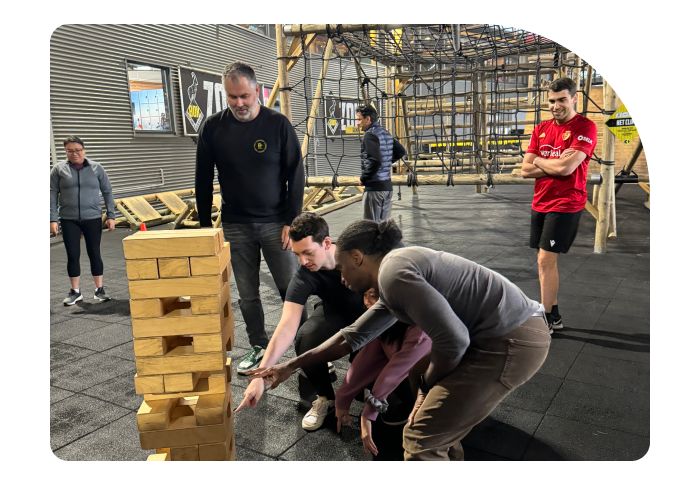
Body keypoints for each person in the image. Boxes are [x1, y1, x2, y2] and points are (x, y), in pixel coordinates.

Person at [249, 219, 550, 461]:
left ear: (358, 257)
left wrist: (425, 388)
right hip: (501, 335)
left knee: (420, 440)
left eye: (341, 268)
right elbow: (351, 337)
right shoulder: (393, 276)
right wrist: (292, 363)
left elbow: (453, 342)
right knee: (439, 428)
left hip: (511, 341)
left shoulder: (393, 273)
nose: (341, 278)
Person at [234, 212, 396, 431]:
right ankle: (325, 398)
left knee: (375, 376)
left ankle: (368, 384)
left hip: (369, 318)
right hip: (334, 314)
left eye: (308, 253)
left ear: (327, 243)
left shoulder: (356, 255)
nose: (303, 261)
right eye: (297, 254)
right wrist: (261, 375)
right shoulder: (304, 275)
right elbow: (287, 325)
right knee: (305, 338)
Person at [195, 61, 305, 375]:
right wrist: (205, 228)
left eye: (244, 95)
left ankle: (304, 347)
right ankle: (259, 346)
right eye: (232, 97)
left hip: (276, 224)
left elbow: (296, 175)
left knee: (292, 288)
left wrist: (291, 222)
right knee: (247, 294)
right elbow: (202, 178)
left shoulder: (278, 125)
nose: (239, 103)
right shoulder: (214, 128)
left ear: (256, 90)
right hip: (236, 224)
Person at [521, 77, 598, 332]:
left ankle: (544, 319)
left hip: (567, 203)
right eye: (552, 101)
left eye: (562, 100)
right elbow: (525, 170)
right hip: (540, 201)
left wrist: (540, 161)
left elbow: (567, 168)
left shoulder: (585, 127)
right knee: (543, 260)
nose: (556, 106)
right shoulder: (541, 128)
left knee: (545, 260)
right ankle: (554, 315)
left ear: (574, 98)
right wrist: (550, 164)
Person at [335, 287, 431, 458]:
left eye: (372, 297)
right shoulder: (386, 320)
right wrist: (342, 398)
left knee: (426, 443)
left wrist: (368, 414)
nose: (366, 303)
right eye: (363, 296)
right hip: (407, 373)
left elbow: (397, 369)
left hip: (434, 381)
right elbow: (366, 358)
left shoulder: (420, 328)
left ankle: (418, 407)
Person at [50, 135, 116, 306]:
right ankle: (75, 292)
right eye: (70, 151)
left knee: (94, 252)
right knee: (72, 255)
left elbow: (107, 191)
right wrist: (53, 219)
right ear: (66, 152)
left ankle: (99, 290)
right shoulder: (58, 170)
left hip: (92, 217)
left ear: (84, 150)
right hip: (68, 218)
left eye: (77, 150)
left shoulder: (96, 168)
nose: (74, 153)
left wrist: (111, 215)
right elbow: (51, 194)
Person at [356, 105, 406, 222]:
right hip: (387, 188)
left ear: (367, 119)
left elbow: (375, 160)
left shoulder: (370, 135)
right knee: (384, 227)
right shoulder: (384, 132)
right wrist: (386, 162)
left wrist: (364, 178)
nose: (358, 123)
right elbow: (401, 151)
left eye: (359, 119)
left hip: (375, 188)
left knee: (371, 227)